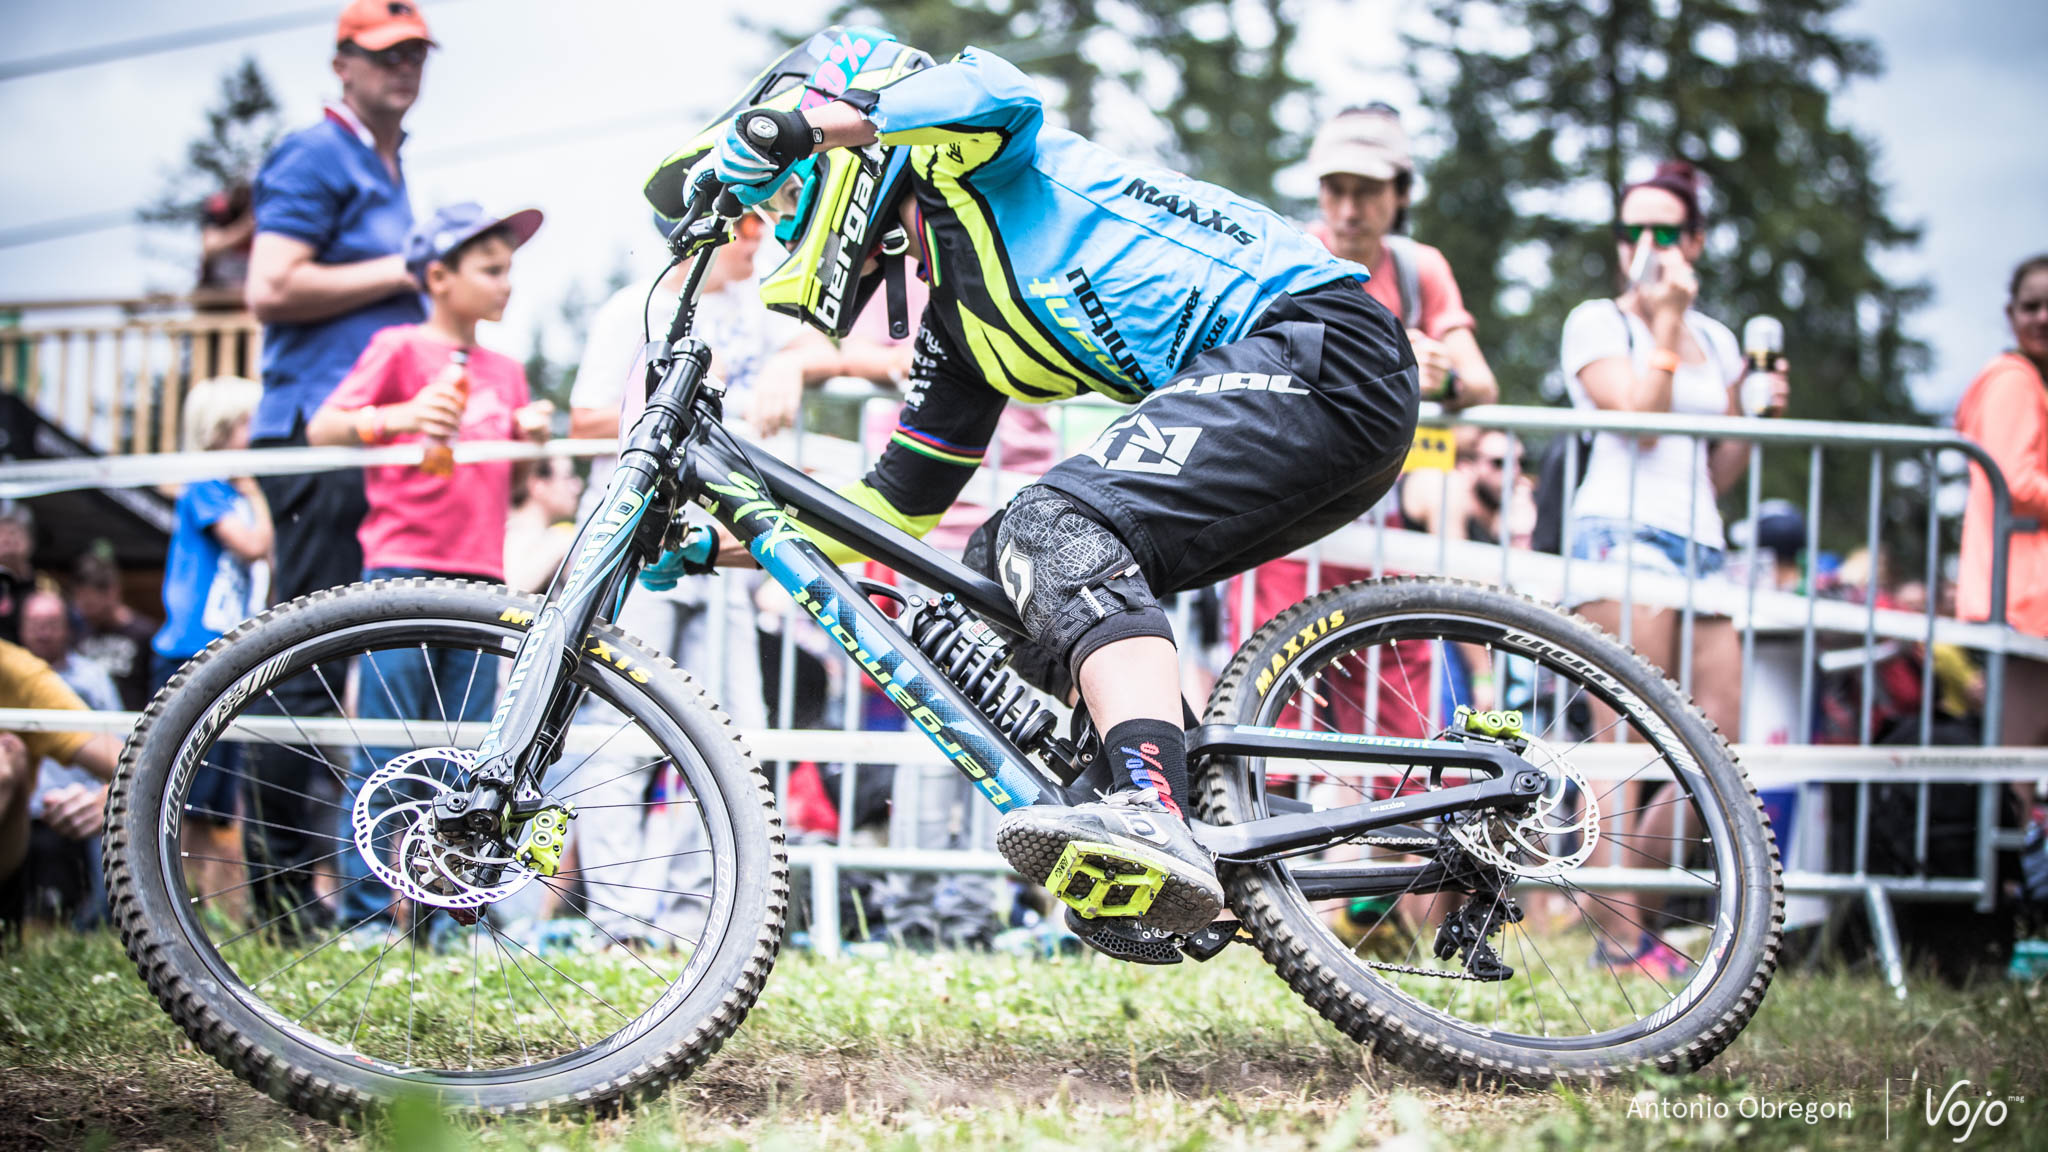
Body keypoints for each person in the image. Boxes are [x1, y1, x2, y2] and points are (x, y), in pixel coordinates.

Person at [653, 27, 1419, 940]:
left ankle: (1151, 806)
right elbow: (890, 511)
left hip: (1319, 345)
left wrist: (804, 126)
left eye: (785, 200)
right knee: (991, 570)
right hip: (1306, 394)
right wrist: (721, 542)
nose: (781, 222)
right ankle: (1199, 821)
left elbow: (995, 89)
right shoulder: (959, 329)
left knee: (1047, 525)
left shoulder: (970, 157)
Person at [1559, 159, 1787, 978]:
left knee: (1713, 743)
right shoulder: (1598, 322)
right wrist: (1661, 327)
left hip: (1701, 545)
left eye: (1665, 231)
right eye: (1633, 232)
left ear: (1694, 241)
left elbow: (1714, 468)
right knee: (1627, 739)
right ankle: (1613, 937)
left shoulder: (1719, 338)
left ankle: (1638, 925)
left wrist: (1755, 418)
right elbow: (1641, 427)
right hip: (1618, 541)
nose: (1647, 247)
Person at [307, 201, 553, 937]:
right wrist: (403, 416)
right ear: (438, 276)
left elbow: (510, 487)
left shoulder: (507, 370)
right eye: (491, 270)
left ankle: (442, 923)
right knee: (385, 749)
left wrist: (529, 443)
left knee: (467, 756)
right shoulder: (397, 347)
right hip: (402, 572)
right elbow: (323, 426)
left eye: (509, 270)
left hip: (480, 576)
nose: (506, 284)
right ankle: (365, 918)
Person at [1240, 104, 1500, 643]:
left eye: (1367, 191)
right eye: (1335, 189)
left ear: (1401, 193)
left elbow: (1481, 383)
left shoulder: (1417, 268)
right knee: (1270, 689)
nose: (1348, 210)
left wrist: (1441, 378)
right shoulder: (1287, 257)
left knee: (1395, 687)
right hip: (1291, 503)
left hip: (1385, 511)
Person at [245, 0, 436, 607]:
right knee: (308, 642)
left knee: (354, 632)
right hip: (316, 428)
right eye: (385, 54)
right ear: (342, 65)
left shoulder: (386, 162)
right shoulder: (315, 153)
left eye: (414, 54)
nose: (403, 67)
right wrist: (406, 271)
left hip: (368, 432)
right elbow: (270, 288)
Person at [1956, 254, 2048, 747]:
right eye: (2031, 306)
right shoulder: (2015, 380)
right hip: (2023, 600)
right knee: (2017, 756)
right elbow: (2015, 482)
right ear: (2011, 315)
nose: (2043, 318)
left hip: (2023, 599)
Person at [0, 566, 123, 926]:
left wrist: (105, 799)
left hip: (32, 841)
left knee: (8, 755)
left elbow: (131, 765)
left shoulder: (18, 673)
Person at [68, 547, 159, 713]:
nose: (85, 612)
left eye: (91, 605)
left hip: (132, 724)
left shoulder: (144, 634)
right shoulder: (80, 632)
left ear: (112, 592)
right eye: (80, 605)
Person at [503, 454, 583, 595]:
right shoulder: (513, 532)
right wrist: (560, 542)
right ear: (538, 485)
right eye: (567, 476)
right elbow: (514, 587)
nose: (577, 486)